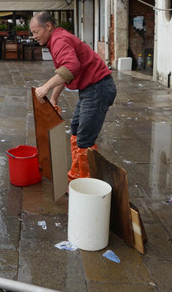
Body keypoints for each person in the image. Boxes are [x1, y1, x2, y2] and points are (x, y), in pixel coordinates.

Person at [31, 11, 116, 181]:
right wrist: (54, 98)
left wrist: (45, 87)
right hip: (90, 89)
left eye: (35, 32)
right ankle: (77, 175)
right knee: (76, 129)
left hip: (98, 89)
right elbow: (66, 72)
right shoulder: (57, 39)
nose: (34, 36)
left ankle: (86, 184)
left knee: (85, 139)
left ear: (48, 26)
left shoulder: (59, 40)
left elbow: (70, 68)